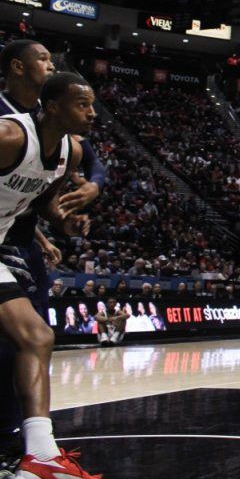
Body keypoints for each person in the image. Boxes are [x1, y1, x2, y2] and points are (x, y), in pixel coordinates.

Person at [0, 41, 106, 466]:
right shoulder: (9, 134)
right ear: (53, 107)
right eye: (83, 105)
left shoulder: (69, 151)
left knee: (37, 337)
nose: (93, 114)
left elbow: (39, 201)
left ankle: (40, 455)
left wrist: (63, 222)